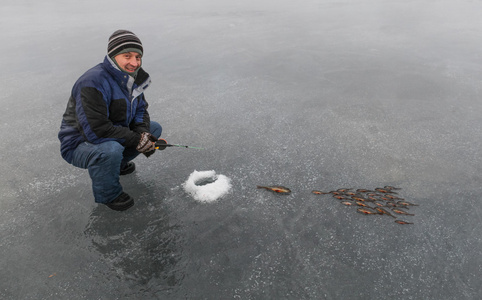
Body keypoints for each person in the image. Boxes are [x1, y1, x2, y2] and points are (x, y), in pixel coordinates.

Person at [58, 30, 165, 211]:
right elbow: (96, 130)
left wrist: (143, 134)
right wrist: (136, 140)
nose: (134, 62)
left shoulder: (135, 78)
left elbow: (140, 111)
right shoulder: (92, 82)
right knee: (110, 150)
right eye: (127, 56)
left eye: (138, 57)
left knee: (153, 129)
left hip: (111, 132)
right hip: (79, 142)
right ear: (113, 56)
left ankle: (117, 165)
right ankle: (109, 194)